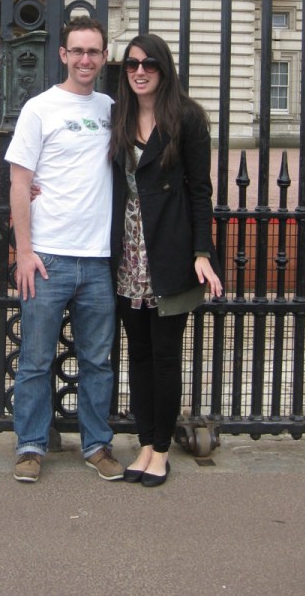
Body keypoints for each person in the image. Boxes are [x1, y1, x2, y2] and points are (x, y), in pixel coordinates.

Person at [5, 16, 122, 483]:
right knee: (35, 361)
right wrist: (24, 251)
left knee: (98, 362)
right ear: (63, 55)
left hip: (97, 260)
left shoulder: (113, 109)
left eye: (93, 51)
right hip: (48, 257)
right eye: (78, 51)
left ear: (104, 57)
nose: (85, 59)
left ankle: (96, 444)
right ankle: (30, 445)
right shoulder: (39, 108)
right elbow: (19, 182)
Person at [110, 33, 223, 488]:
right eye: (132, 64)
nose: (140, 72)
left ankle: (160, 450)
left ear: (164, 68)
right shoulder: (118, 116)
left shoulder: (187, 118)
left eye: (149, 64)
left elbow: (200, 190)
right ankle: (144, 442)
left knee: (164, 357)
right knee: (137, 355)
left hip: (168, 250)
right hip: (127, 253)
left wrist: (202, 252)